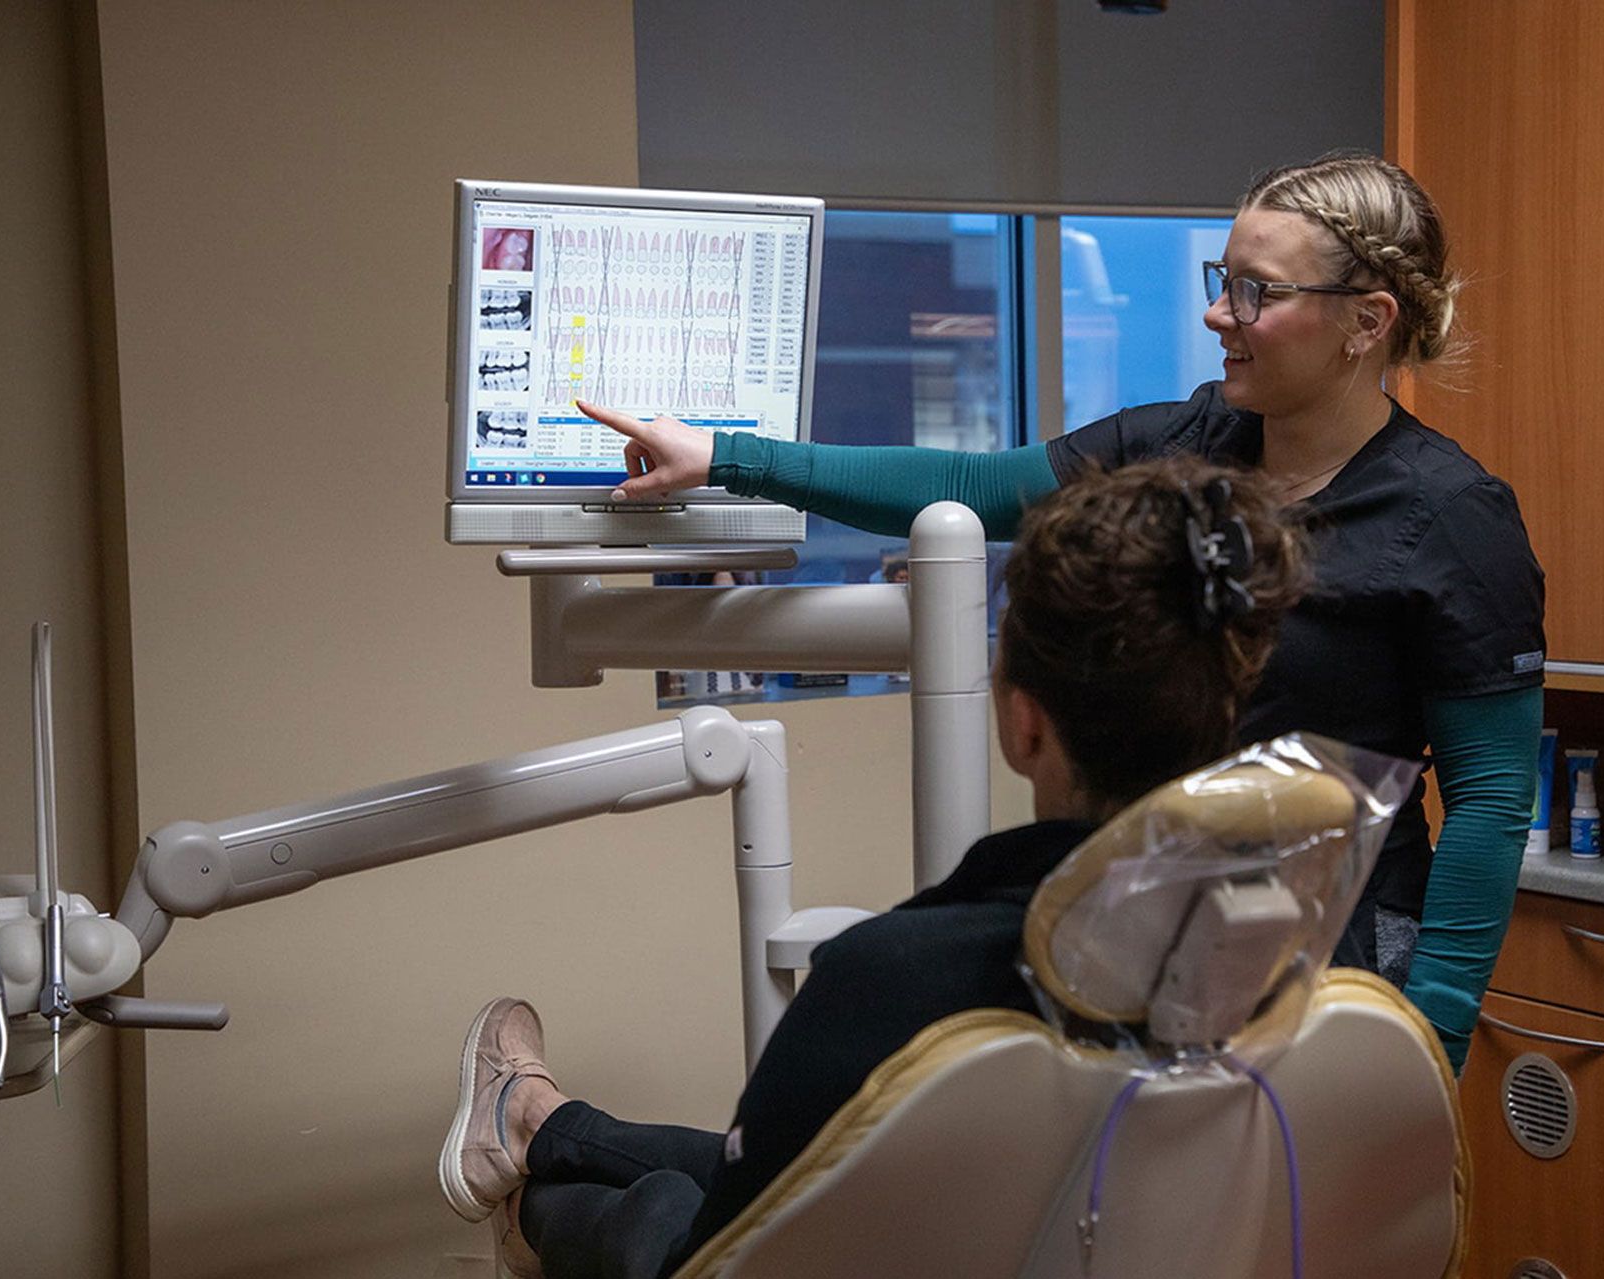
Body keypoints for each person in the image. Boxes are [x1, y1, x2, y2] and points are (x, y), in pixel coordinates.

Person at [579, 151, 1543, 1075]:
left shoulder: (1455, 518)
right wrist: (727, 457)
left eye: (1257, 290)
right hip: (1152, 923)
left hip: (1340, 957)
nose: (1218, 312)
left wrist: (1435, 1034)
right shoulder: (1188, 438)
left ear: (1366, 321)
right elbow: (966, 486)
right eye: (1222, 277)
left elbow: (1491, 798)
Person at [439, 455, 1306, 1278]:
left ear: (1024, 724)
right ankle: (537, 1119)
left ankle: (530, 1194)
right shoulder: (1285, 968)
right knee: (763, 1159)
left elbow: (736, 1237)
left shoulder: (897, 979)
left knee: (669, 1203)